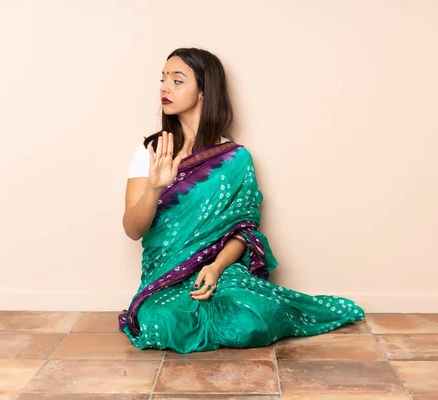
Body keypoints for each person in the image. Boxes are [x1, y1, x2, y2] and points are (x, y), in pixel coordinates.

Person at [118, 47, 365, 353]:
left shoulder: (234, 158)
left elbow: (243, 230)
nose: (164, 88)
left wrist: (216, 268)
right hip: (164, 275)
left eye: (177, 80)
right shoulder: (151, 152)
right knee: (159, 324)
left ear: (204, 92)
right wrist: (155, 188)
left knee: (253, 319)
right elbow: (132, 229)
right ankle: (192, 318)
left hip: (219, 270)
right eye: (162, 79)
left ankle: (214, 314)